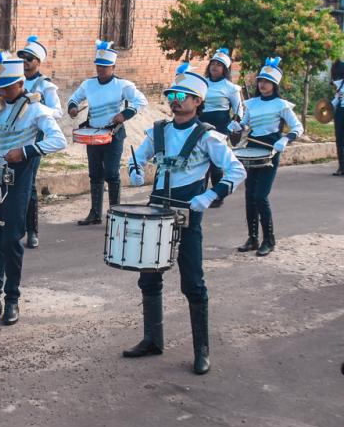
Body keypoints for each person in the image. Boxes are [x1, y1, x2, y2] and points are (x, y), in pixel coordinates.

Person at [121, 63, 245, 375]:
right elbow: (138, 157)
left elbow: (236, 170)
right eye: (173, 95)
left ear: (198, 102)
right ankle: (152, 339)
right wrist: (134, 170)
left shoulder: (208, 137)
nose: (176, 100)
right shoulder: (158, 130)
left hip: (188, 215)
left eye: (184, 96)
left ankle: (201, 351)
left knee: (193, 282)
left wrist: (210, 195)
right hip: (156, 210)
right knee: (148, 276)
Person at [0, 51, 66, 325]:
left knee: (11, 239)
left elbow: (58, 141)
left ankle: (12, 299)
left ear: (21, 84)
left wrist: (26, 150)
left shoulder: (36, 109)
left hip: (18, 179)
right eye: (0, 87)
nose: (4, 92)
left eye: (9, 86)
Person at [66, 41, 147, 225]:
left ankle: (115, 213)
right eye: (99, 66)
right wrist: (72, 108)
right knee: (95, 174)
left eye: (105, 67)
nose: (101, 70)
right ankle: (95, 213)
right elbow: (74, 98)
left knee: (111, 172)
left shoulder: (123, 85)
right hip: (93, 134)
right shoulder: (88, 84)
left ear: (113, 66)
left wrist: (124, 114)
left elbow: (141, 100)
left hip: (114, 134)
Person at [234, 56, 302, 257]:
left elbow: (298, 127)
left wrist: (285, 139)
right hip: (252, 150)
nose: (263, 84)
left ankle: (269, 240)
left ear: (274, 85)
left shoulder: (282, 105)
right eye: (261, 81)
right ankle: (252, 238)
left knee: (260, 197)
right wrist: (238, 126)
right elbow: (246, 124)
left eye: (267, 82)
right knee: (249, 196)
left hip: (269, 152)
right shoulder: (252, 104)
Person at [17, 35, 60, 249]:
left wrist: (39, 105)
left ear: (38, 62)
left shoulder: (45, 85)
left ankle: (32, 230)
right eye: (23, 57)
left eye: (29, 59)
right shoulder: (13, 79)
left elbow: (57, 112)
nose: (25, 62)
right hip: (12, 137)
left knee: (29, 183)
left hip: (34, 139)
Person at [200, 48, 245, 205]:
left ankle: (217, 196)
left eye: (219, 65)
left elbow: (238, 108)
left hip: (220, 127)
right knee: (200, 160)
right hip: (200, 125)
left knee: (216, 163)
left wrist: (236, 124)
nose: (214, 67)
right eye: (212, 63)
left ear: (224, 69)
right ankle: (199, 192)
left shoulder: (230, 88)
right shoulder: (201, 83)